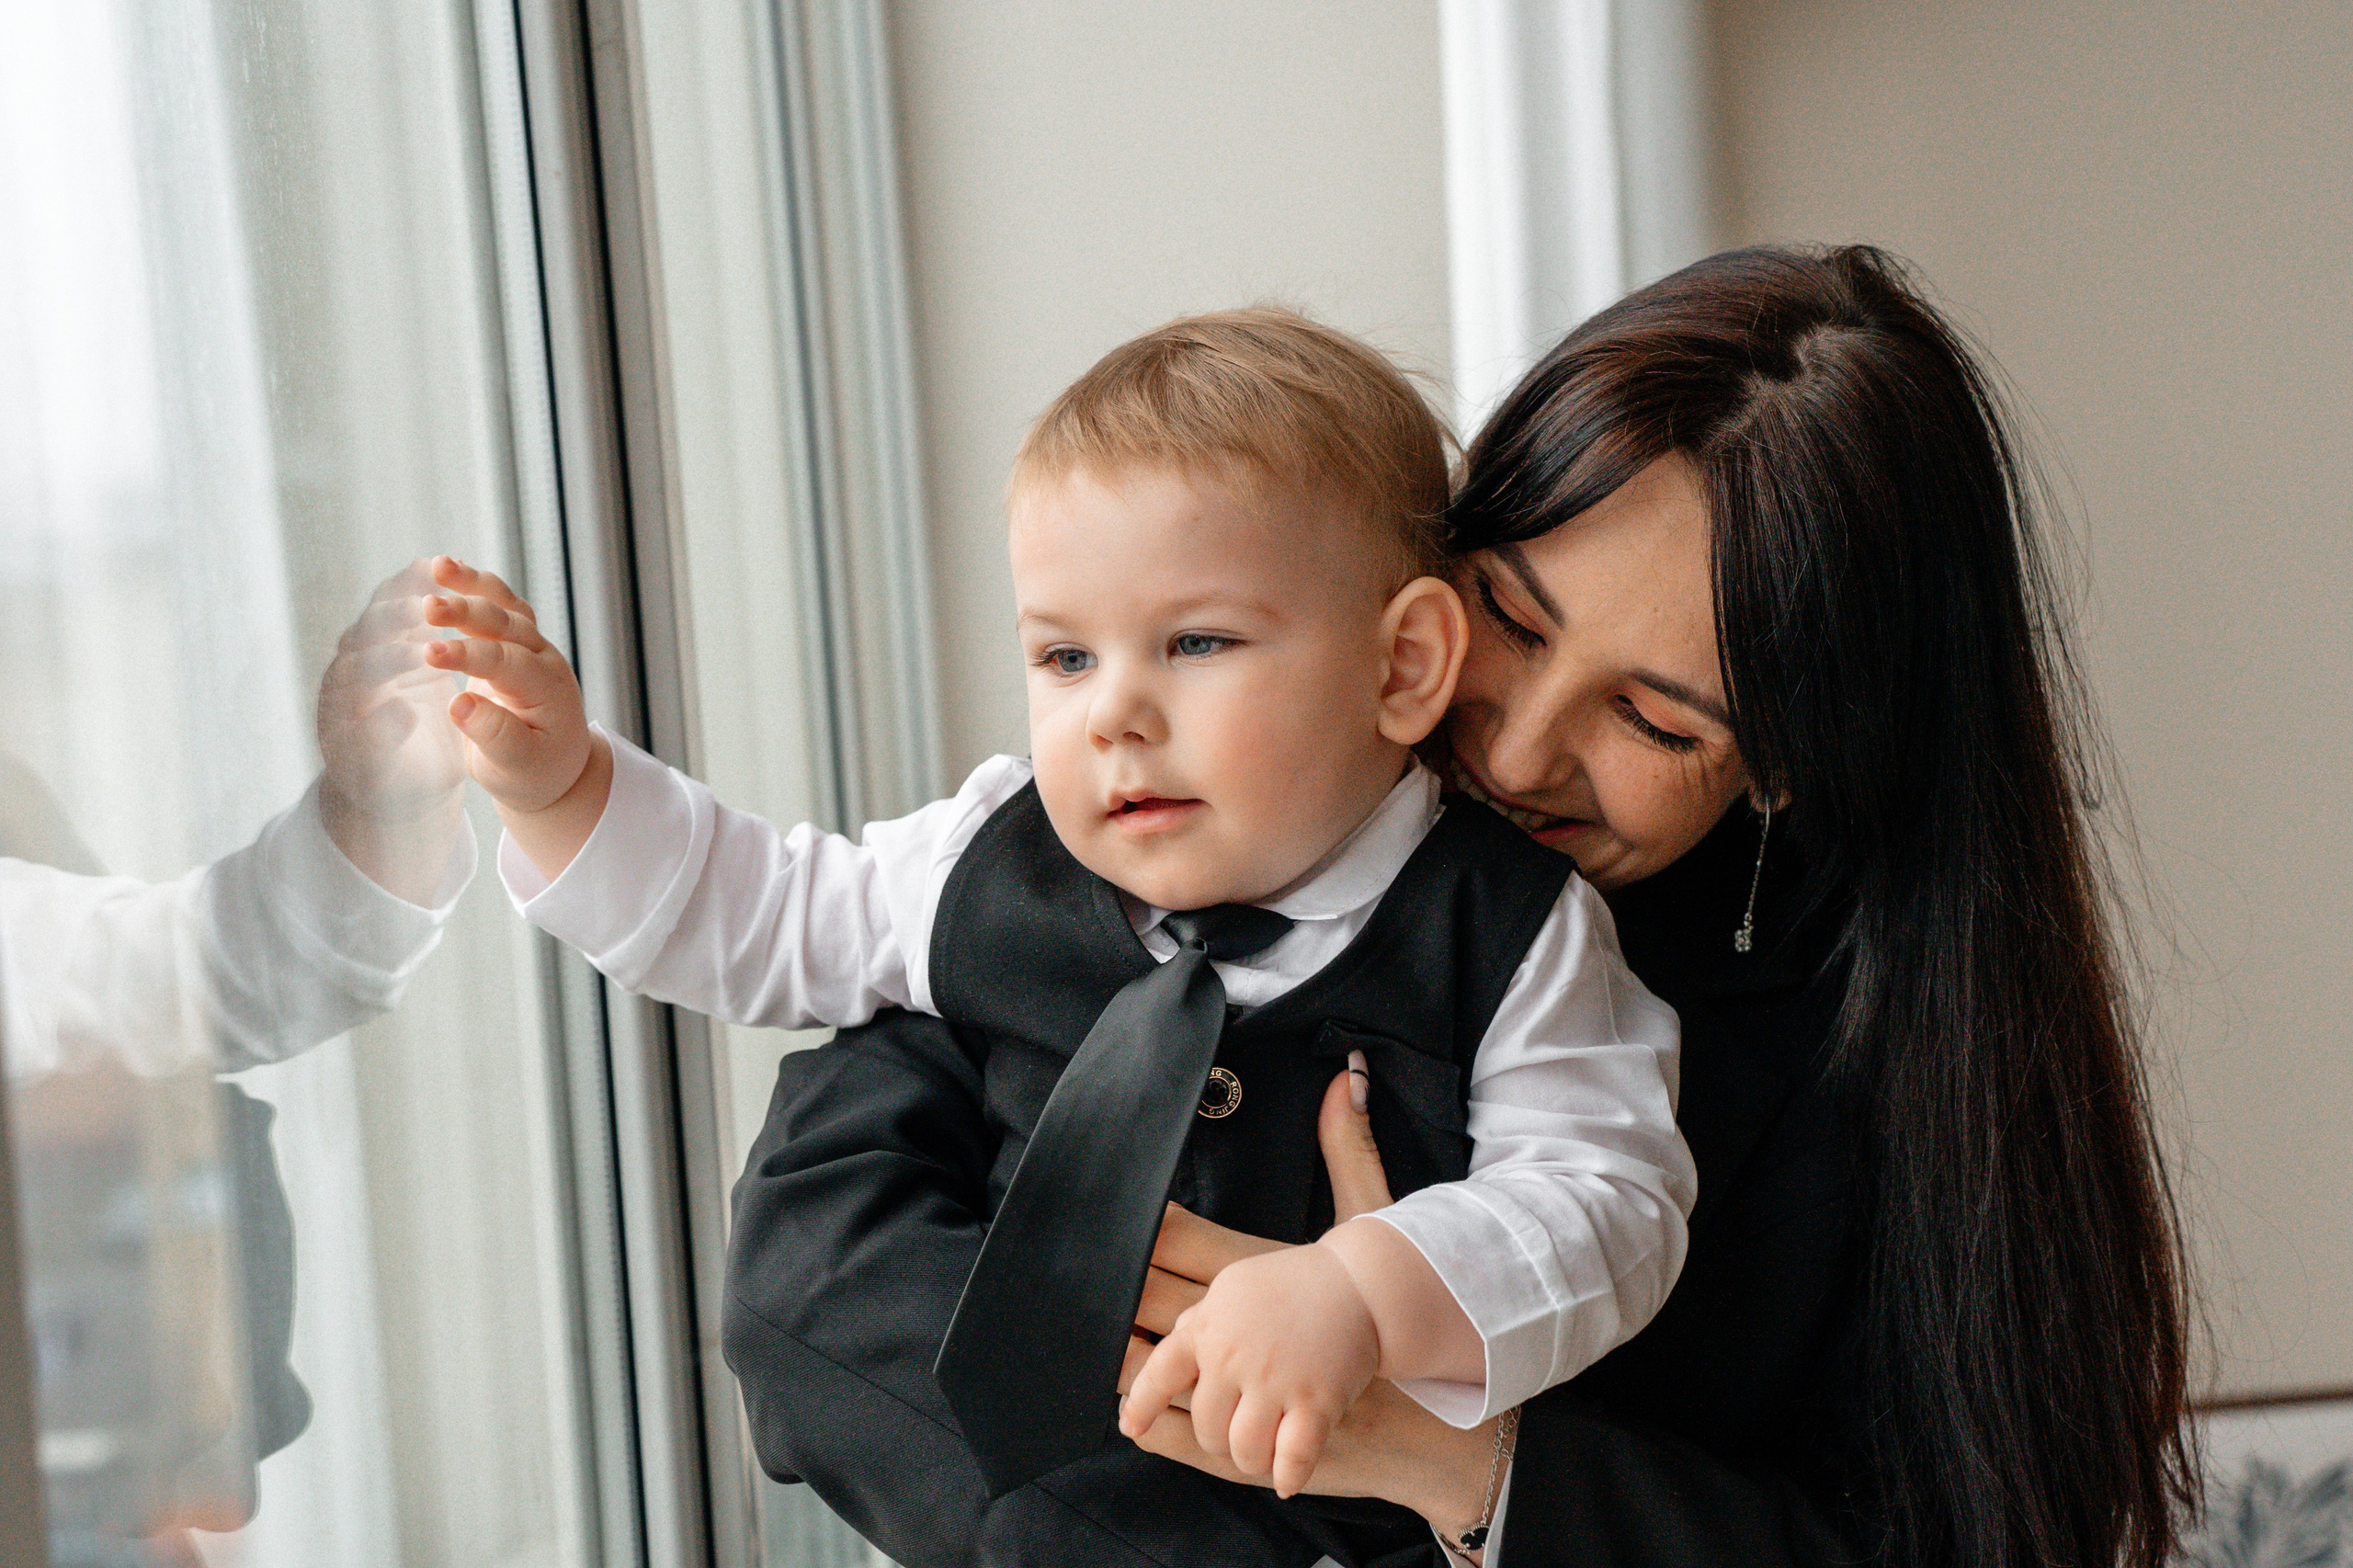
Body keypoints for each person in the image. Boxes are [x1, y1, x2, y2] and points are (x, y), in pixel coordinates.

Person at [724, 245, 2195, 1568]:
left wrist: (1433, 1444)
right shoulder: (1172, 831)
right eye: (1514, 615)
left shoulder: (1868, 1077)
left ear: (1796, 765)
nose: (1511, 745)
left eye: (1656, 721)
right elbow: (809, 1258)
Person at [421, 311, 1695, 1561]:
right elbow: (759, 907)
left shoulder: (1518, 930)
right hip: (1029, 1464)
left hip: (1319, 1505)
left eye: (1196, 642)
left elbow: (1608, 1202)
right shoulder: (992, 848)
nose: (1115, 715)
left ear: (1404, 663)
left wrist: (1367, 1290)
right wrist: (566, 788)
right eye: (1066, 656)